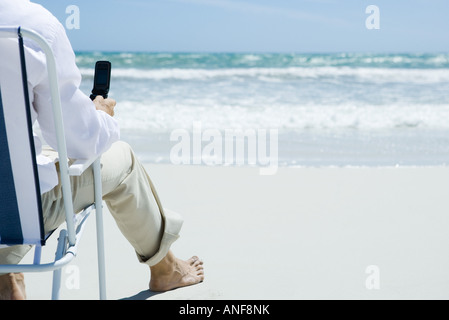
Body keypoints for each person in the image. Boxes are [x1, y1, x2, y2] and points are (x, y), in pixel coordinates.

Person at [0, 0, 204, 300]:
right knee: (122, 158)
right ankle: (166, 269)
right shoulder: (30, 25)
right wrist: (101, 116)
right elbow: (79, 141)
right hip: (11, 217)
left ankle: (7, 278)